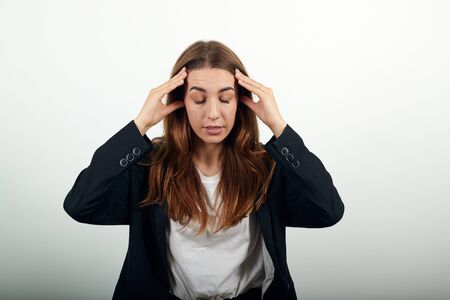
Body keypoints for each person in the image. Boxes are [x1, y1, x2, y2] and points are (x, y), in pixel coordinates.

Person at [63, 40, 345, 300]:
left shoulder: (267, 167)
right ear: (180, 102)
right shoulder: (149, 167)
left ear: (241, 102)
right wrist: (139, 126)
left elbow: (329, 210)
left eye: (225, 99)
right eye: (199, 99)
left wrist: (279, 128)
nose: (212, 113)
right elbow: (80, 205)